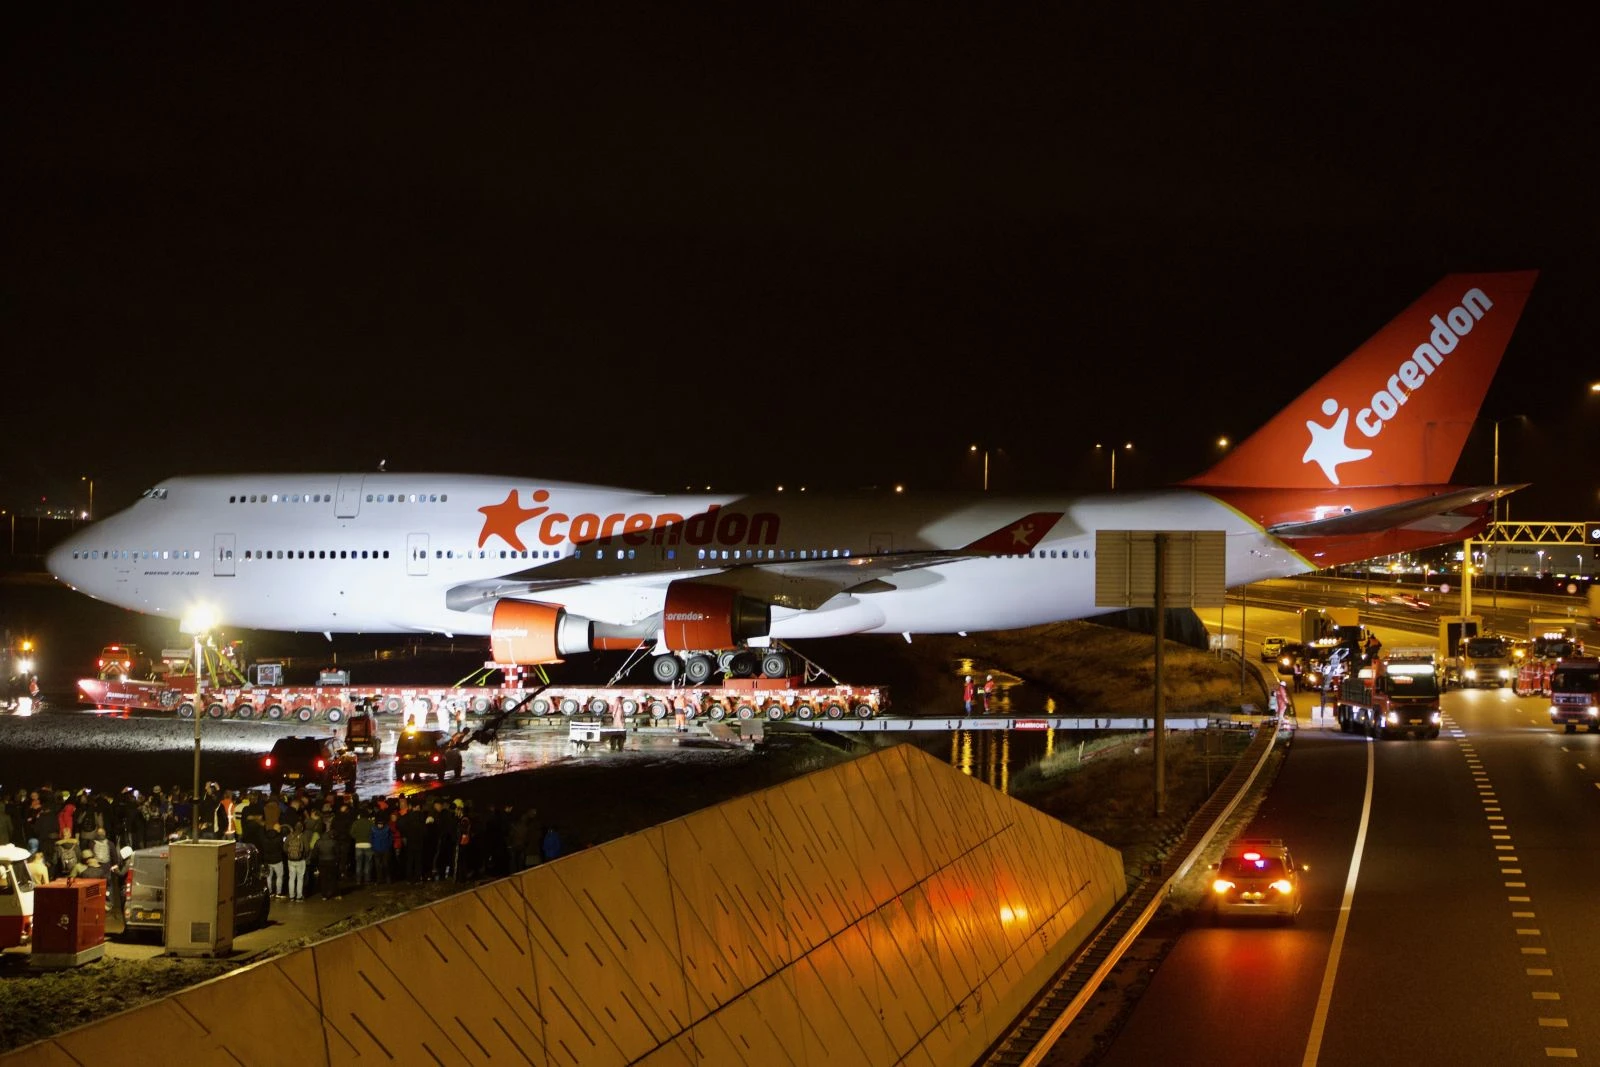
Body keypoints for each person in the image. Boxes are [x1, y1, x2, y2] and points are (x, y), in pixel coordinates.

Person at [283, 820, 310, 900]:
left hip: (290, 860)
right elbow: (307, 849)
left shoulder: (289, 836)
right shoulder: (303, 836)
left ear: (295, 828)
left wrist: (289, 855)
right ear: (302, 828)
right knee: (300, 878)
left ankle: (291, 896)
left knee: (291, 878)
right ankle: (299, 896)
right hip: (301, 860)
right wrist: (304, 856)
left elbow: (284, 848)